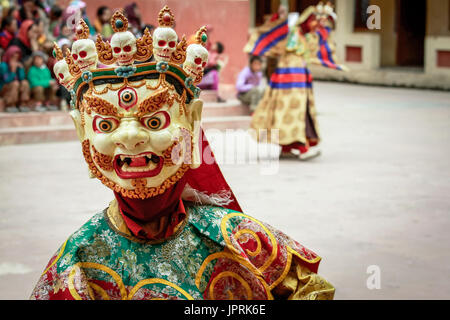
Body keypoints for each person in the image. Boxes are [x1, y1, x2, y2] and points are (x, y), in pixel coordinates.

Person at [30, 7, 335, 300]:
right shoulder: (79, 260)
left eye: (154, 121)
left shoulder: (235, 237)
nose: (131, 137)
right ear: (83, 134)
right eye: (106, 124)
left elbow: (310, 290)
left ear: (192, 122)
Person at [248, 2, 345, 161]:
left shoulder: (309, 36)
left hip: (299, 77)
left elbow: (319, 46)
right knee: (291, 111)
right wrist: (278, 17)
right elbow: (273, 31)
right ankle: (302, 148)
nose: (316, 25)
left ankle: (286, 147)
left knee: (296, 110)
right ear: (307, 19)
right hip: (288, 76)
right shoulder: (291, 31)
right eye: (315, 20)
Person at [0, 45, 30, 112]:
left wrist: (21, 69)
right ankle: (10, 105)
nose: (15, 59)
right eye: (13, 57)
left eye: (17, 57)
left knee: (25, 83)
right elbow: (6, 80)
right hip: (4, 89)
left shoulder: (18, 65)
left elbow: (22, 78)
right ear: (8, 56)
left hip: (16, 89)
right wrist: (13, 71)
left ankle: (23, 104)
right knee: (15, 83)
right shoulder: (3, 65)